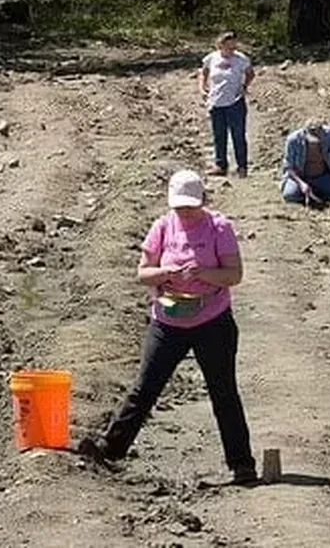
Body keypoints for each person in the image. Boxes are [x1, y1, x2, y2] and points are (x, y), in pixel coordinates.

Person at [78, 170, 258, 485]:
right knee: (145, 387)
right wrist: (165, 272)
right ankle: (112, 447)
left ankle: (242, 464)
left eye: (190, 206)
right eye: (180, 207)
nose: (185, 213)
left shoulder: (219, 228)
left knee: (223, 392)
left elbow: (234, 275)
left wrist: (203, 273)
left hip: (212, 321)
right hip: (168, 321)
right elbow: (143, 273)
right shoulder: (162, 227)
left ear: (203, 200)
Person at [199, 32, 255, 178]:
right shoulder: (212, 58)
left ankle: (242, 166)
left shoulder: (241, 59)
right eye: (228, 47)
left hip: (235, 101)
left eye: (233, 47)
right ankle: (220, 165)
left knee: (238, 134)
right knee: (219, 134)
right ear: (220, 45)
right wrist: (202, 86)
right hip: (216, 101)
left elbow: (250, 73)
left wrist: (244, 86)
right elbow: (204, 71)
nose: (231, 50)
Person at [281, 120, 330, 208]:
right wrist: (302, 184)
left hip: (322, 177)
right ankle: (307, 195)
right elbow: (288, 167)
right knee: (289, 195)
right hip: (301, 178)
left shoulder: (329, 135)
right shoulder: (293, 140)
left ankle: (318, 194)